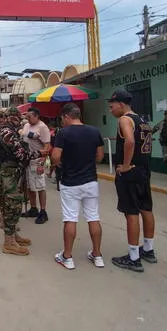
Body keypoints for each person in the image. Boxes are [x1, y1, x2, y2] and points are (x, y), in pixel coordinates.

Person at [51, 103, 105, 270]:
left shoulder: (63, 133)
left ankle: (67, 257)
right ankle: (97, 255)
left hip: (70, 182)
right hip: (90, 181)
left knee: (70, 218)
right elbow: (100, 156)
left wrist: (61, 164)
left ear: (67, 116)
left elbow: (55, 156)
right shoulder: (94, 131)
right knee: (93, 217)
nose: (62, 122)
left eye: (62, 118)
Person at [108, 89, 156, 272]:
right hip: (144, 170)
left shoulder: (125, 119)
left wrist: (126, 165)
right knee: (146, 208)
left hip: (131, 172)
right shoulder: (143, 121)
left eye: (112, 107)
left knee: (131, 212)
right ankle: (149, 249)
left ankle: (134, 257)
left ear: (121, 104)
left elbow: (129, 141)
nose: (111, 110)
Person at [0, 107, 46, 256]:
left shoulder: (8, 130)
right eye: (18, 118)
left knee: (13, 205)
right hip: (9, 174)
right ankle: (8, 242)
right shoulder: (7, 132)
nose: (20, 121)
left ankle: (13, 237)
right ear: (12, 118)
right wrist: (38, 153)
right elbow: (21, 154)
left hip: (12, 173)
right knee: (12, 205)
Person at [20, 108, 51, 224]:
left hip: (37, 160)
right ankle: (33, 208)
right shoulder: (27, 126)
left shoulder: (42, 127)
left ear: (37, 116)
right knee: (30, 186)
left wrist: (41, 163)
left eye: (30, 117)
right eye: (27, 117)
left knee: (40, 187)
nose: (27, 119)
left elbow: (47, 146)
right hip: (27, 160)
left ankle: (43, 211)